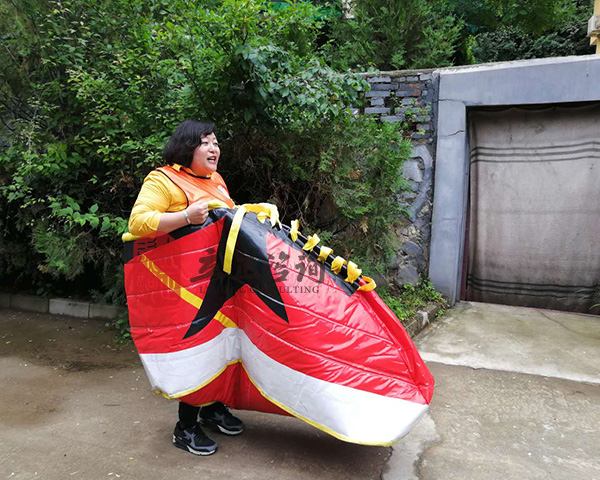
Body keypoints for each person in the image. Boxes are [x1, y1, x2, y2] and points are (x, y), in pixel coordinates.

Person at [128, 120, 244, 456]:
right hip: (184, 289)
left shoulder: (216, 181)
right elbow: (137, 222)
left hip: (221, 282)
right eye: (206, 142)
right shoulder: (163, 180)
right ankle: (186, 427)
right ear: (187, 147)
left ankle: (213, 408)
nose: (214, 149)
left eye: (216, 143)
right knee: (197, 351)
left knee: (225, 345)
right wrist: (184, 217)